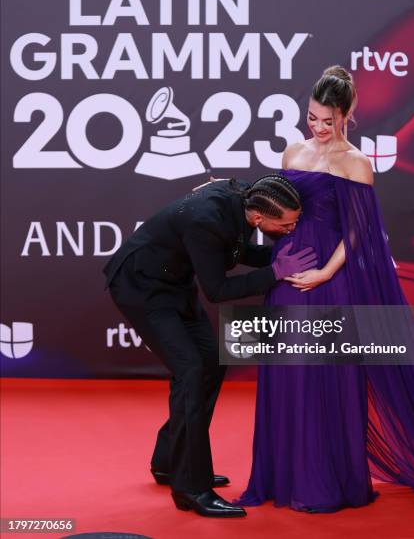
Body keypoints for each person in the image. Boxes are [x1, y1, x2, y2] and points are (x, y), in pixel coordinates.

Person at [235, 66, 414, 516]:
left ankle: (329, 481)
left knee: (328, 375)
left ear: (346, 115)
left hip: (332, 279)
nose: (319, 128)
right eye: (312, 118)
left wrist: (325, 273)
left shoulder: (356, 163)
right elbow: (279, 211)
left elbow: (360, 231)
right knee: (288, 372)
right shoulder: (292, 154)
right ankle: (284, 476)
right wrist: (282, 266)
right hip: (288, 274)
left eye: (328, 120)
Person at [103, 175, 317, 517]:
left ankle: (170, 462)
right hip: (141, 288)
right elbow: (217, 290)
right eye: (286, 225)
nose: (291, 228)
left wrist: (281, 254)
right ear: (260, 219)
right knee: (190, 371)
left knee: (213, 361)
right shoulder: (207, 220)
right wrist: (276, 271)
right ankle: (191, 487)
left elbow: (236, 250)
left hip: (175, 283)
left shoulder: (249, 199)